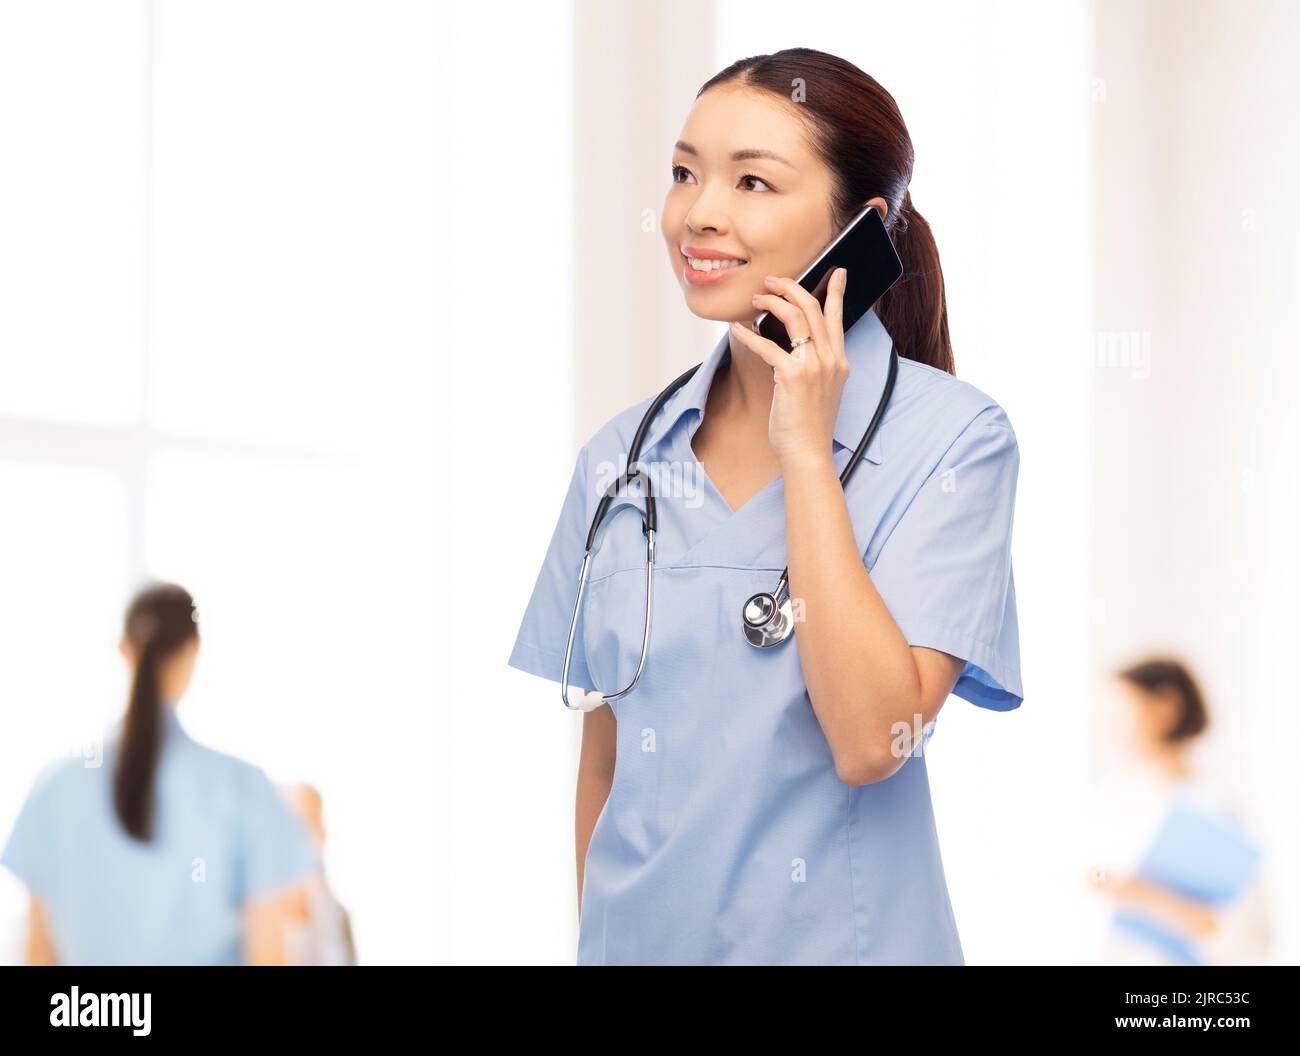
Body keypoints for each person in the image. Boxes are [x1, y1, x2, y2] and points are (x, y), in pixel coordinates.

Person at [508, 48, 1024, 965]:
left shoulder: (954, 442)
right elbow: (604, 766)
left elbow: (875, 740)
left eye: (753, 181)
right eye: (683, 173)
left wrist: (805, 453)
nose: (699, 212)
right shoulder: (621, 461)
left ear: (861, 228)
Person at [0, 581, 319, 965]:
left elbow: (38, 955)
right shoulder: (244, 790)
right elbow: (268, 956)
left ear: (124, 650)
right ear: (194, 651)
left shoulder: (54, 790)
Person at [1086, 657, 1273, 965]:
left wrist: (1145, 896)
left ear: (1166, 707)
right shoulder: (1110, 801)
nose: (1109, 729)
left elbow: (1253, 937)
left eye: (1120, 713)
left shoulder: (1212, 807)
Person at [279, 782, 357, 965]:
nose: (318, 831)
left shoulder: (338, 915)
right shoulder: (253, 919)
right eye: (301, 822)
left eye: (316, 820)